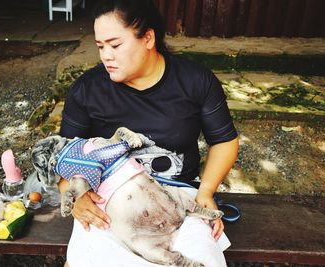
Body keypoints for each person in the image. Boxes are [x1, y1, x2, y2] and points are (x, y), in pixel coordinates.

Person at [58, 0, 239, 266]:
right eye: (100, 46)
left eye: (115, 45)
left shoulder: (195, 81)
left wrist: (207, 192)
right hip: (111, 203)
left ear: (148, 38)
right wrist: (75, 197)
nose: (106, 55)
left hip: (180, 199)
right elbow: (65, 156)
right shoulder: (87, 90)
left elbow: (224, 141)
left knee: (200, 258)